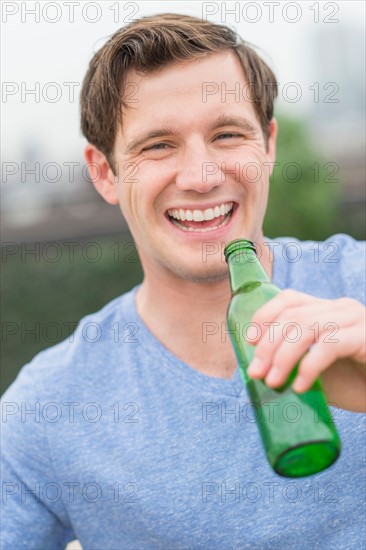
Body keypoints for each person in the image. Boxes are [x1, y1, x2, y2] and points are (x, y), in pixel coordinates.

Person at [1, 13, 365, 549]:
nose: (201, 176)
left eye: (226, 134)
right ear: (104, 173)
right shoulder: (48, 406)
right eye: (158, 146)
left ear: (266, 145)